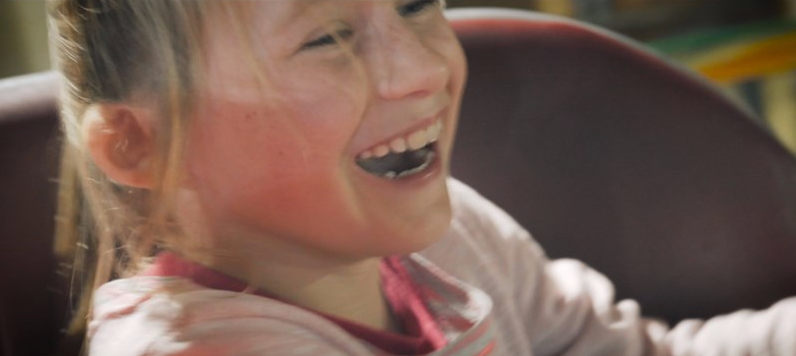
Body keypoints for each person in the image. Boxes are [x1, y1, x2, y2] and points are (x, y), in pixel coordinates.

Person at [49, 1, 796, 355]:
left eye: (416, 6)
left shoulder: (448, 235)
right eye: (329, 39)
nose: (425, 69)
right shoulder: (199, 351)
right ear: (139, 144)